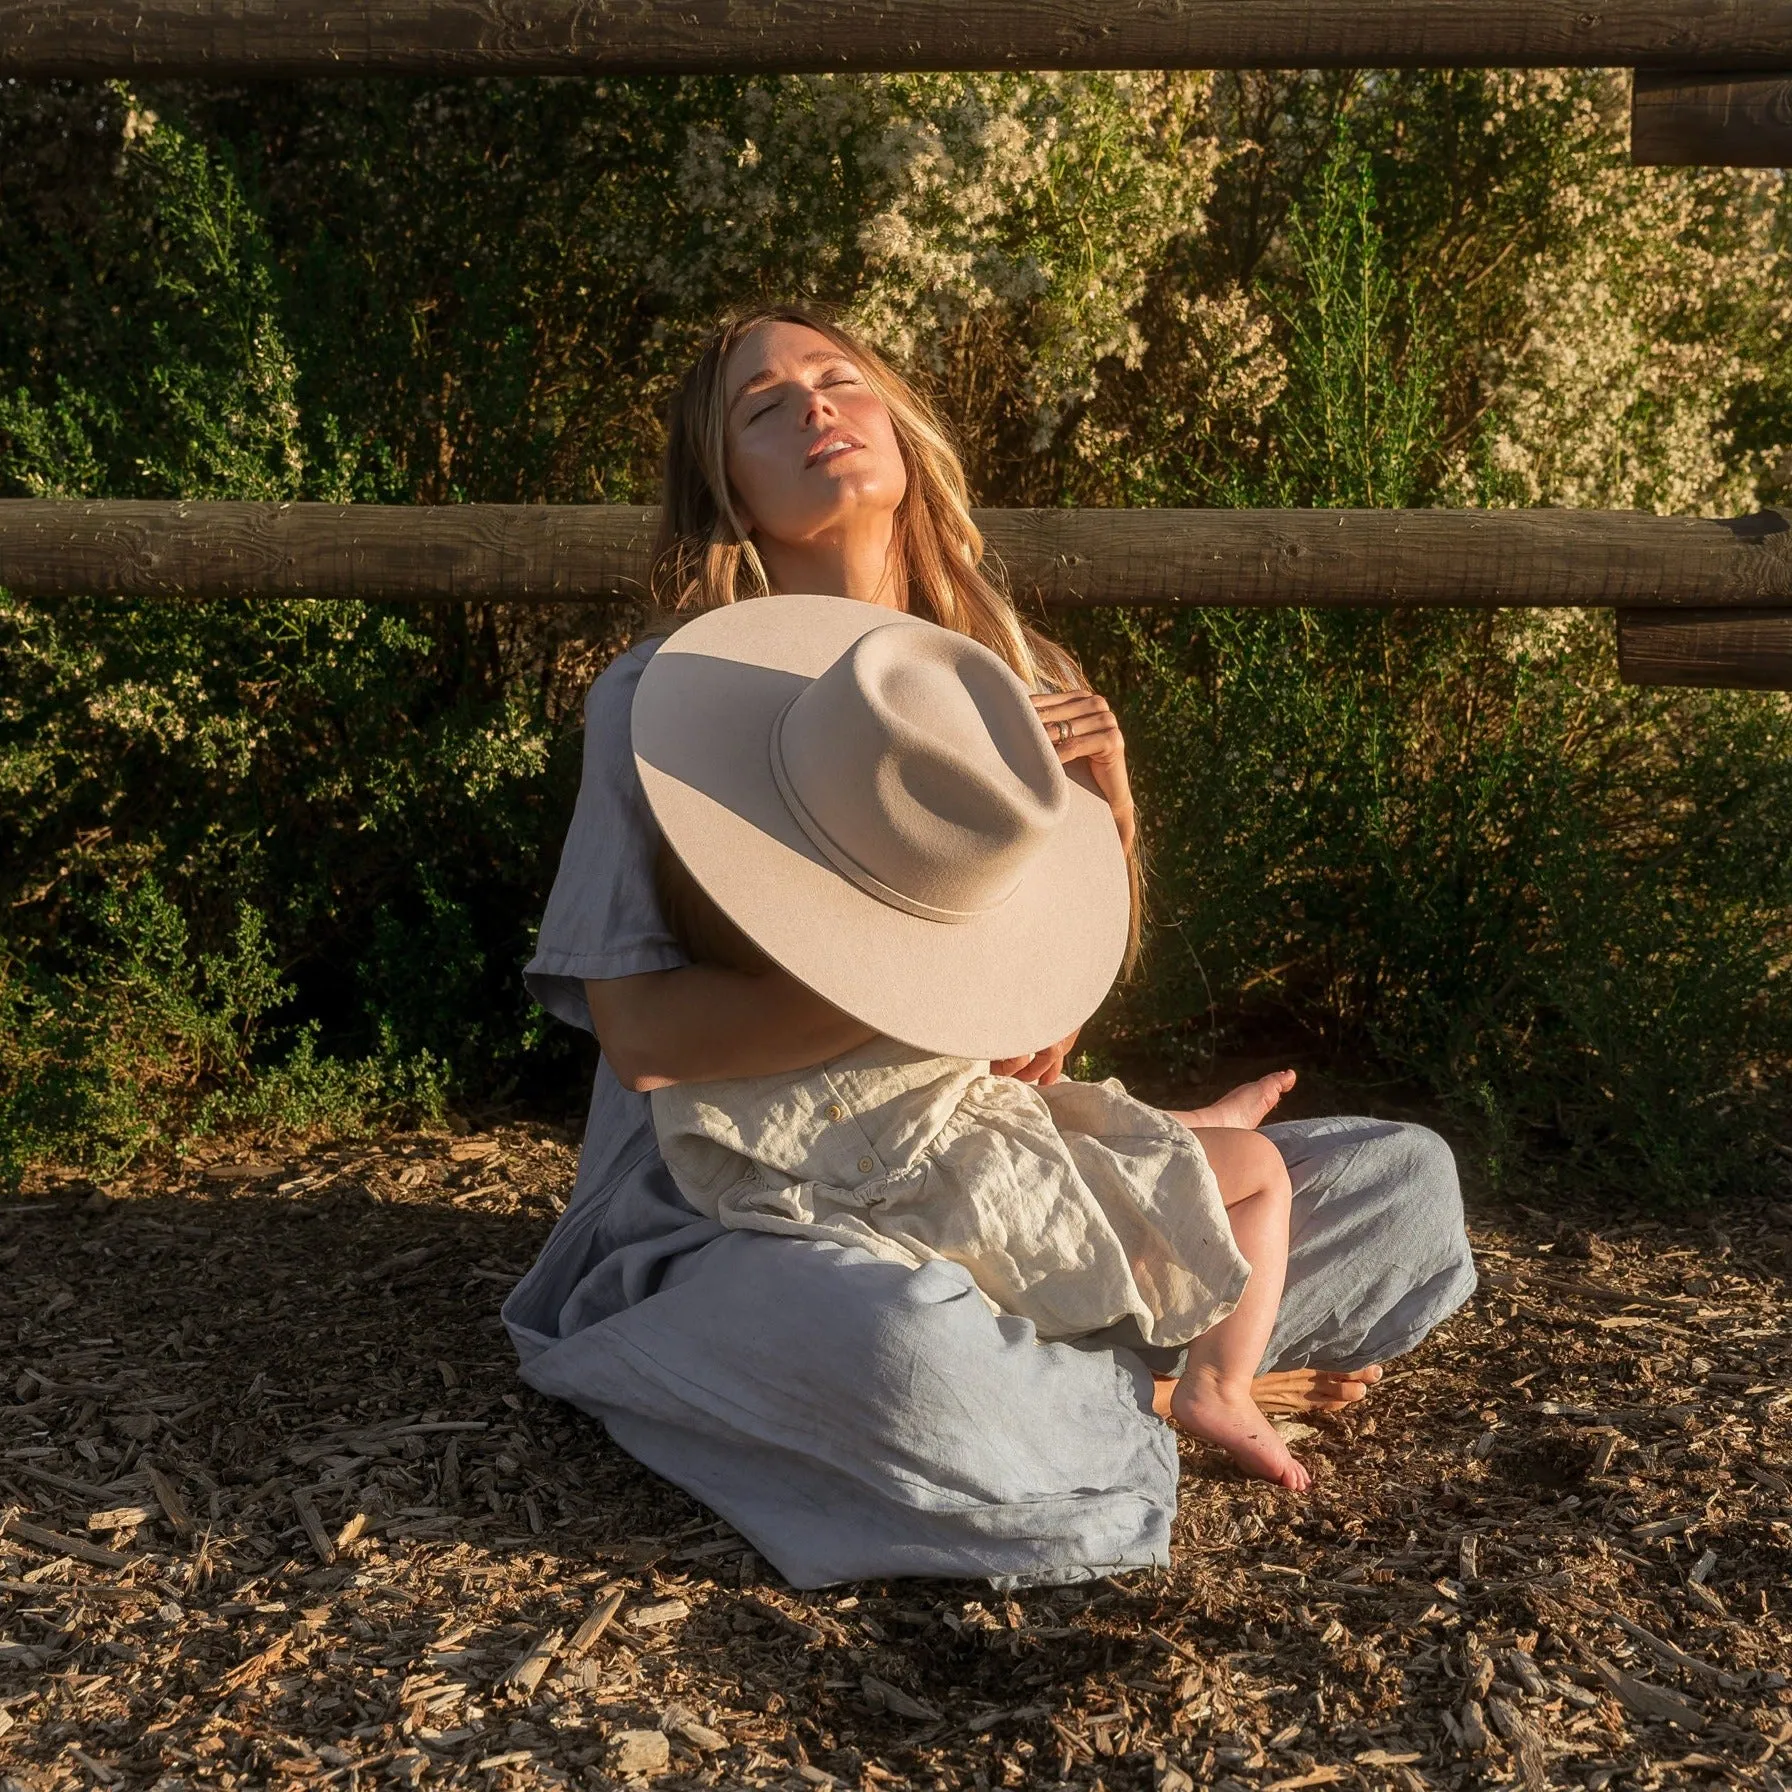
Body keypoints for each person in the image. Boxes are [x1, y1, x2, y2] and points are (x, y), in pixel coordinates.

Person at [503, 304, 1478, 1588]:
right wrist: (898, 986)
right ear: (723, 486)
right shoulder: (662, 696)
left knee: (1403, 1183)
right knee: (905, 1352)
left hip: (953, 1159)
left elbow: (1027, 1031)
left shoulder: (1017, 680)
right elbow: (644, 1043)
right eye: (762, 405)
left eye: (839, 378)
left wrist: (1111, 826)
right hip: (731, 1208)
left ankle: (1072, 1369)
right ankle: (1119, 1383)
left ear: (900, 428)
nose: (812, 406)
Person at [637, 592, 1311, 1488]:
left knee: (1391, 1180)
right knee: (1261, 1170)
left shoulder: (715, 942)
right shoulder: (938, 991)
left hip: (839, 1202)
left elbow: (995, 1101)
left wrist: (1115, 814)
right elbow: (996, 1121)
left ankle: (1182, 1134)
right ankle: (1214, 1384)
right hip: (973, 1204)